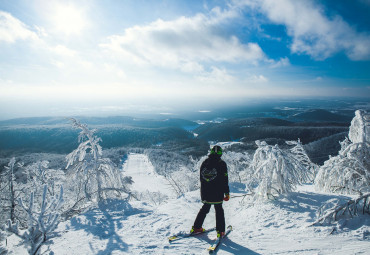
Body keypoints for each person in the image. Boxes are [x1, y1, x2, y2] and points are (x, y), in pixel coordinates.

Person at [191, 145, 230, 238]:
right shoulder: (222, 164)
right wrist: (227, 193)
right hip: (217, 192)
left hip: (206, 191)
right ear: (220, 153)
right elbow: (225, 180)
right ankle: (220, 231)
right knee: (219, 209)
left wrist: (204, 189)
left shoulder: (204, 163)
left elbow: (201, 178)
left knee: (205, 208)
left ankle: (197, 227)